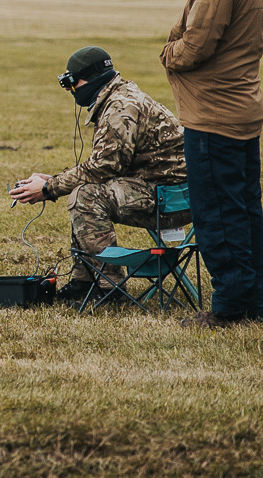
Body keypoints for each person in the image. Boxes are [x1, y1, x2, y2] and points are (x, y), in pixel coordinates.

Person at [161, 0, 263, 328]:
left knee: (218, 216)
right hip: (241, 109)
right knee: (243, 212)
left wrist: (169, 52)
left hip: (213, 115)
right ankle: (249, 302)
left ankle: (230, 309)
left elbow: (196, 45)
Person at [10, 46, 187, 301]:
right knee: (84, 190)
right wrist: (54, 181)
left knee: (86, 197)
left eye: (72, 82)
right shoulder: (120, 96)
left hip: (172, 199)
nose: (72, 90)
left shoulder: (120, 107)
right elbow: (107, 166)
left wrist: (49, 188)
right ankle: (85, 281)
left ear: (90, 78)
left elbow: (103, 168)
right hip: (164, 189)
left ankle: (109, 287)